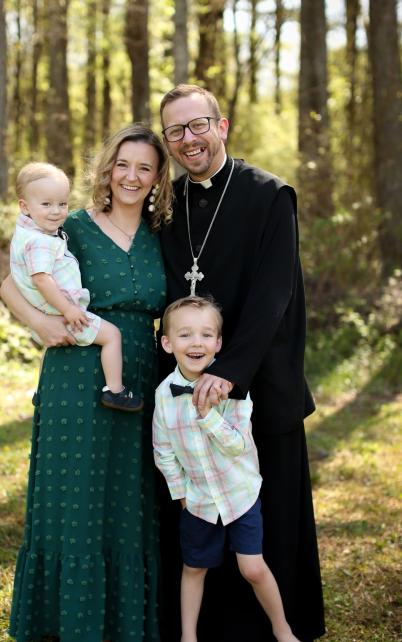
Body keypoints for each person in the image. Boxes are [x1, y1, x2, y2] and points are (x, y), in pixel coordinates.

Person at [157, 84, 325, 642]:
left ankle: (274, 627)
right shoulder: (169, 203)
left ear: (221, 125)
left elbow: (275, 294)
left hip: (259, 380)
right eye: (175, 131)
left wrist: (230, 372)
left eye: (197, 125)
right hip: (186, 386)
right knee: (199, 515)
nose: (189, 140)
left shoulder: (269, 195)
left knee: (266, 510)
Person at [2, 124, 173, 642]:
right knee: (71, 497)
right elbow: (11, 282)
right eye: (124, 164)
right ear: (108, 168)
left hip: (139, 375)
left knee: (129, 500)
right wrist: (40, 323)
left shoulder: (165, 234)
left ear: (157, 178)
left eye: (145, 167)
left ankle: (126, 624)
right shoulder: (67, 224)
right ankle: (63, 624)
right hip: (75, 378)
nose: (132, 175)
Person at [153, 296, 300, 642]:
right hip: (199, 501)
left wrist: (208, 418)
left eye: (206, 335)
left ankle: (283, 630)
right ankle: (188, 636)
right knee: (194, 567)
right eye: (185, 335)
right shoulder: (163, 395)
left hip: (239, 494)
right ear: (167, 343)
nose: (196, 343)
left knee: (252, 568)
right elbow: (163, 451)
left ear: (219, 343)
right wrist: (181, 495)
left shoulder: (232, 390)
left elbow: (238, 446)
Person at [11, 161, 143, 411]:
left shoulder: (27, 234)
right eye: (46, 204)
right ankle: (115, 390)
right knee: (112, 336)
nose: (56, 211)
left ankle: (41, 391)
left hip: (50, 312)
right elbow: (41, 279)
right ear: (25, 207)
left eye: (62, 203)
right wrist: (69, 310)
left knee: (47, 350)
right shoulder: (40, 242)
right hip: (63, 312)